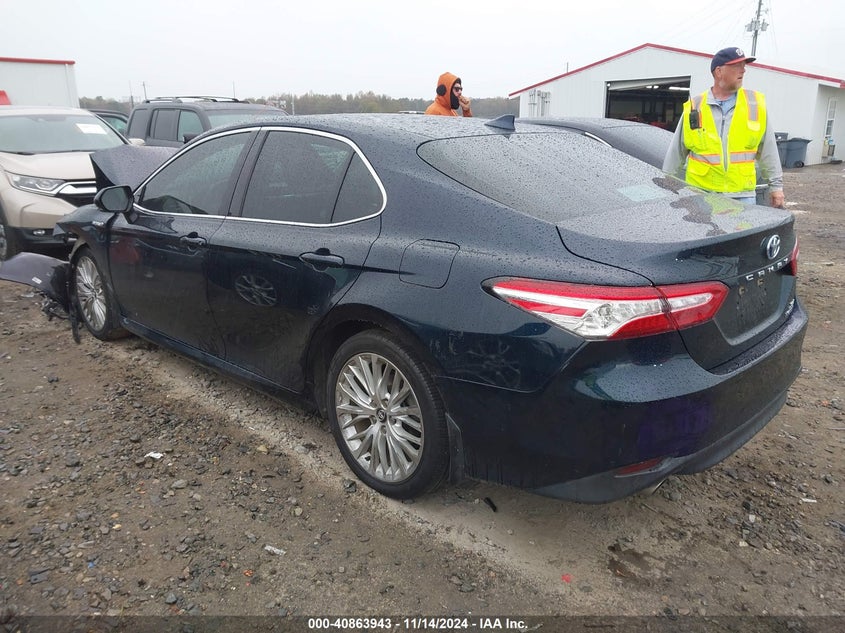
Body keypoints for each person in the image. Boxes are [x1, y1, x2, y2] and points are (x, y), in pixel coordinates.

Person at [663, 47, 784, 208]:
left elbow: (768, 149)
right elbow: (676, 151)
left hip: (742, 196)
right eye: (737, 66)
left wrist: (776, 187)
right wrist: (666, 184)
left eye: (743, 65)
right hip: (700, 194)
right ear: (719, 71)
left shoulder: (754, 104)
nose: (743, 70)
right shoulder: (695, 107)